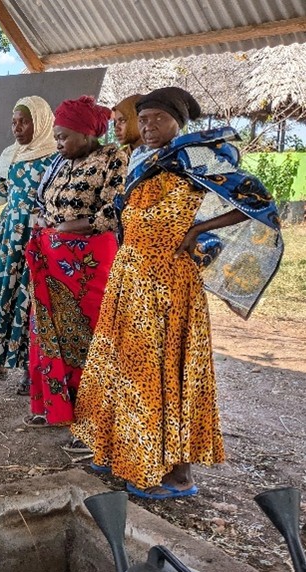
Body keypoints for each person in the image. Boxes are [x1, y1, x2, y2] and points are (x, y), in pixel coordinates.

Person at [72, 87, 284, 499]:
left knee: (163, 372)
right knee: (125, 368)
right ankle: (124, 450)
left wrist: (200, 229)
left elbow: (256, 200)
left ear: (177, 123)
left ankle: (176, 474)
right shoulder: (141, 157)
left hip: (167, 281)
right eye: (144, 118)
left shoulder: (194, 155)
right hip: (131, 274)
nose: (149, 126)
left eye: (157, 119)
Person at [23, 96, 128, 442]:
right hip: (51, 259)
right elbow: (42, 202)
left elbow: (115, 209)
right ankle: (55, 406)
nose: (58, 143)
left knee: (87, 335)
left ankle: (89, 414)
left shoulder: (111, 158)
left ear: (87, 134)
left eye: (65, 136)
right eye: (56, 136)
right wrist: (46, 226)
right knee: (49, 331)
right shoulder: (57, 162)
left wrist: (72, 227)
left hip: (88, 262)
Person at [0, 96, 57, 391]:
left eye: (24, 121)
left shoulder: (54, 156)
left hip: (37, 234)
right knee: (3, 295)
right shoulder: (10, 154)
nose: (17, 128)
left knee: (31, 298)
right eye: (14, 122)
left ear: (41, 121)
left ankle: (29, 369)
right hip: (9, 234)